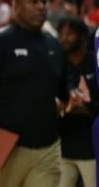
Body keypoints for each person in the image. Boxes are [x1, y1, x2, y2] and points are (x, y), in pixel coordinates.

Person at [0, 0, 82, 187]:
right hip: (3, 146)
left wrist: (72, 91)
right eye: (33, 1)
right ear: (16, 7)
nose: (40, 6)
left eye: (43, 2)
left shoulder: (53, 45)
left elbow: (64, 81)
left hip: (47, 147)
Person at [57, 16, 96, 187]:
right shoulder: (59, 65)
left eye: (70, 34)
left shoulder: (95, 62)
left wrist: (86, 108)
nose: (64, 38)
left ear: (82, 37)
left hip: (92, 150)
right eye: (62, 33)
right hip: (64, 148)